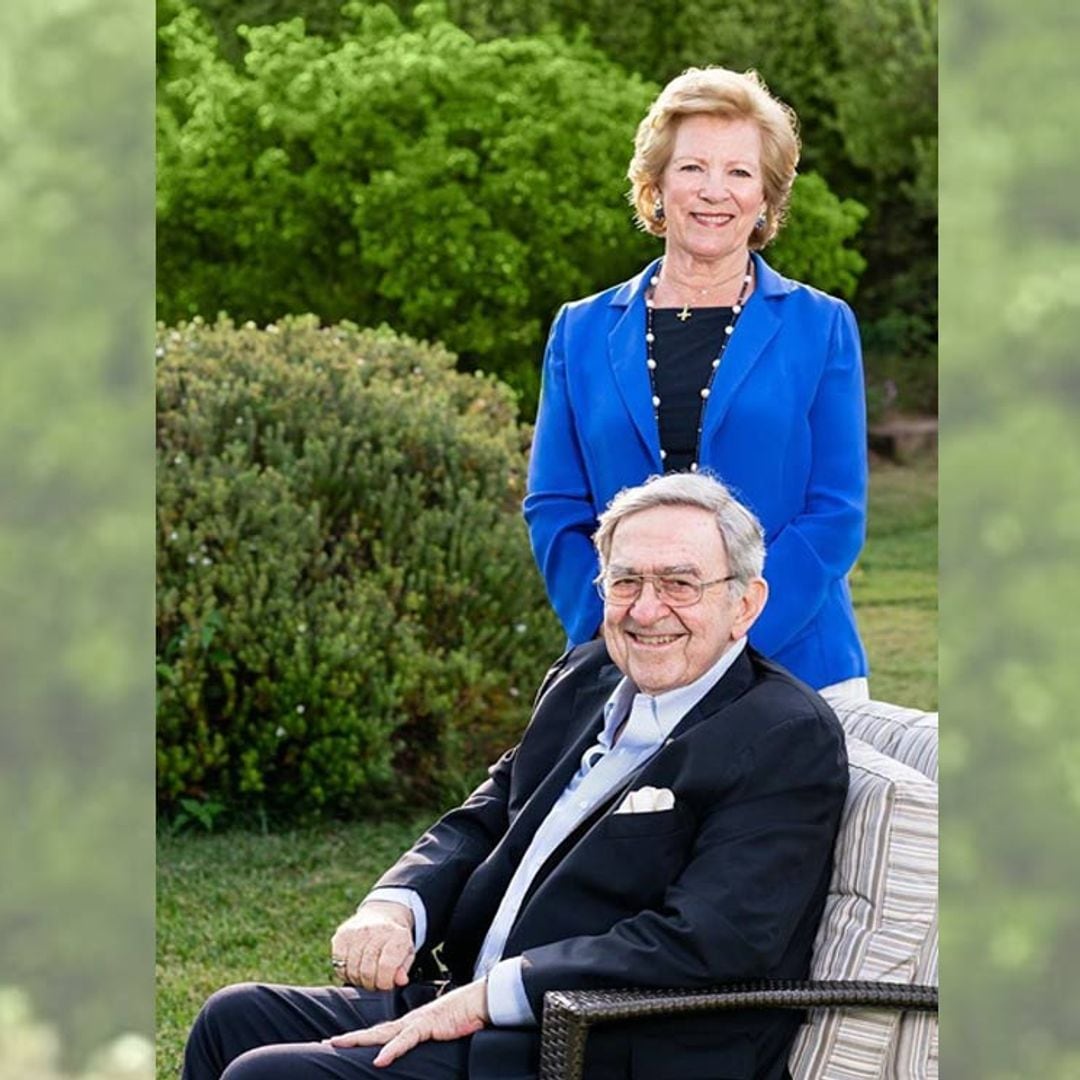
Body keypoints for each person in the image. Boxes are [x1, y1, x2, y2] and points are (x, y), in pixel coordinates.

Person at [183, 472, 849, 1080]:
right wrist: (397, 904)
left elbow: (712, 940)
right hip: (475, 1006)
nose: (646, 610)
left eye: (679, 583)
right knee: (232, 1015)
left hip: (597, 1048)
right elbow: (490, 810)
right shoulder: (587, 676)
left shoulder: (782, 736)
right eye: (625, 582)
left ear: (745, 604)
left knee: (268, 1077)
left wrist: (496, 994)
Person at [525, 66, 869, 698]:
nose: (716, 191)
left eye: (739, 172)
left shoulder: (821, 326)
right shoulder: (579, 330)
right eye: (692, 168)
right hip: (631, 667)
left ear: (766, 197)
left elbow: (836, 512)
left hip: (795, 668)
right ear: (656, 186)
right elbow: (555, 505)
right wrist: (621, 630)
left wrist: (730, 642)